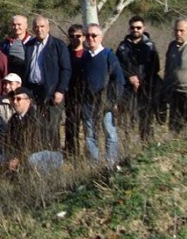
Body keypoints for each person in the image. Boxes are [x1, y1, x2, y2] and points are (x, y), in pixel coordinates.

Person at [80, 24, 124, 167]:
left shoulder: (108, 55)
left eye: (94, 35)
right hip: (88, 103)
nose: (90, 38)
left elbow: (118, 80)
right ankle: (95, 165)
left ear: (101, 37)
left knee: (109, 133)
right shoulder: (85, 56)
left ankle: (111, 164)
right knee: (89, 136)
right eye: (88, 36)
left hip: (105, 103)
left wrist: (112, 100)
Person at [23, 15, 71, 150]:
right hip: (33, 91)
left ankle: (54, 157)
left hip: (52, 92)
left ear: (48, 27)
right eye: (36, 27)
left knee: (52, 127)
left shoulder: (58, 45)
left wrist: (60, 90)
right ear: (33, 29)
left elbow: (66, 69)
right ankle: (39, 155)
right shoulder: (28, 46)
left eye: (42, 26)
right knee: (36, 125)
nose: (39, 29)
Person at [116, 15, 161, 142]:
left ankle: (146, 145)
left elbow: (155, 67)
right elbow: (117, 65)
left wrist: (140, 79)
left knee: (146, 118)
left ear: (143, 28)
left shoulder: (150, 46)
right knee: (125, 119)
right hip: (127, 88)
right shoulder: (122, 46)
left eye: (138, 27)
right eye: (133, 27)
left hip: (146, 87)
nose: (135, 30)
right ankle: (126, 145)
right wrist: (129, 77)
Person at [3, 86, 64, 174]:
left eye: (18, 99)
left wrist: (18, 158)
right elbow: (9, 138)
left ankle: (44, 179)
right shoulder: (14, 118)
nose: (15, 102)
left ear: (28, 100)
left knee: (32, 159)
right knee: (3, 156)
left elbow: (33, 145)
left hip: (50, 154)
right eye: (13, 99)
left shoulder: (35, 118)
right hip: (26, 153)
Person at [64, 23, 86, 156]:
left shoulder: (89, 53)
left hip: (87, 95)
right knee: (71, 126)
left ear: (84, 37)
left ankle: (90, 155)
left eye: (78, 35)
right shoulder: (64, 53)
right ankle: (72, 154)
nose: (75, 38)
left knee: (89, 127)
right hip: (70, 94)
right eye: (72, 36)